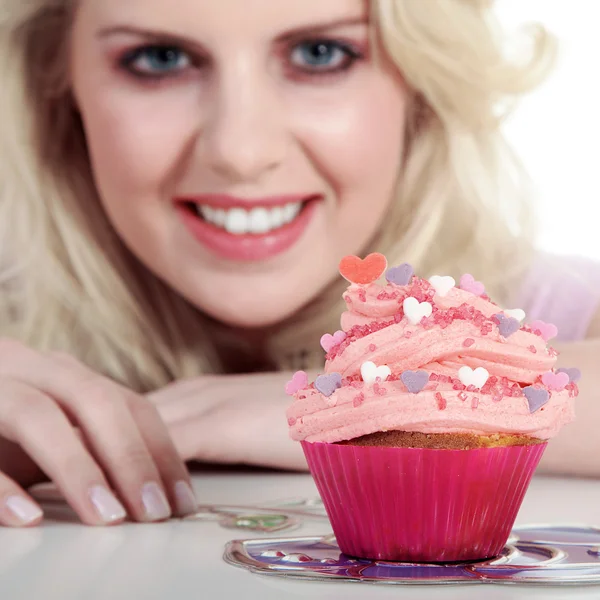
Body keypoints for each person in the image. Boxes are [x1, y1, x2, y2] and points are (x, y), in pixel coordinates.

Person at [0, 0, 597, 529]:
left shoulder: (557, 310)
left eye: (321, 53)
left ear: (422, 79)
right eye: (159, 59)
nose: (240, 152)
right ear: (58, 84)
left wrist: (363, 402)